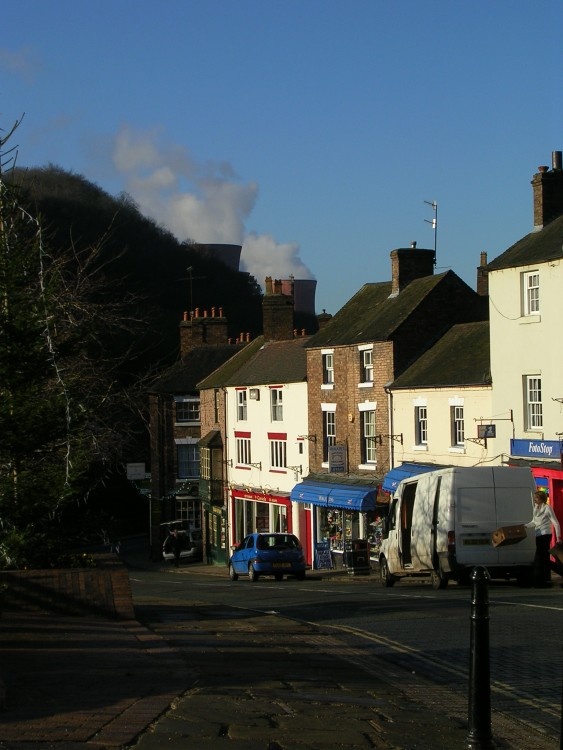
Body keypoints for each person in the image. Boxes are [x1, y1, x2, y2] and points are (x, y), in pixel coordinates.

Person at [526, 491, 562, 587]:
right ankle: (544, 579)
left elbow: (556, 523)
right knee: (544, 559)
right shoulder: (536, 508)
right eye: (534, 498)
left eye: (536, 498)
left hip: (545, 534)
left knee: (539, 557)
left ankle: (539, 581)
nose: (534, 500)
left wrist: (558, 537)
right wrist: (525, 526)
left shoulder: (547, 508)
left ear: (542, 499)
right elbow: (534, 522)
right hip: (538, 534)